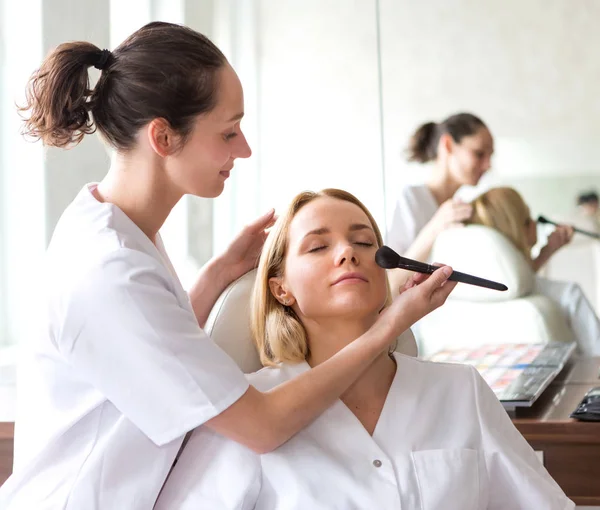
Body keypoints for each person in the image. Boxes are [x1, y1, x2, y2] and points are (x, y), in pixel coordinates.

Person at [0, 22, 458, 510]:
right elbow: (261, 427)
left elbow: (154, 351)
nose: (243, 149)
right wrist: (388, 327)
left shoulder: (116, 225)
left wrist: (218, 274)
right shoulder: (111, 269)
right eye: (228, 132)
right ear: (163, 136)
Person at [155, 188, 573, 510]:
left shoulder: (461, 392)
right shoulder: (243, 409)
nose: (348, 254)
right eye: (318, 246)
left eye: (364, 242)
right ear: (281, 289)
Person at [468, 187, 599, 355]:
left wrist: (546, 252)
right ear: (517, 230)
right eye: (527, 219)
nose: (535, 223)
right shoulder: (568, 295)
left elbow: (522, 280)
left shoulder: (461, 305)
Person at [386, 113, 494, 291]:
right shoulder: (411, 199)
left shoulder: (461, 209)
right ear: (448, 145)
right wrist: (435, 227)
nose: (488, 165)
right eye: (479, 153)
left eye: (490, 156)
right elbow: (390, 284)